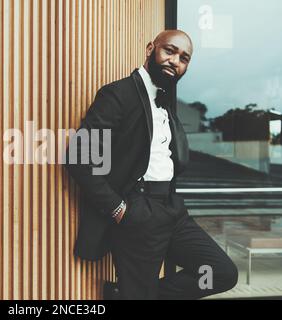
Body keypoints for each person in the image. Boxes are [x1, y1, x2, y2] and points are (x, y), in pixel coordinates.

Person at [64, 30, 238, 300]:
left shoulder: (165, 101)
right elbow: (79, 157)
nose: (175, 61)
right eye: (169, 50)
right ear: (150, 49)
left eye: (184, 58)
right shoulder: (117, 94)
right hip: (138, 212)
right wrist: (119, 209)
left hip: (172, 209)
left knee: (220, 272)